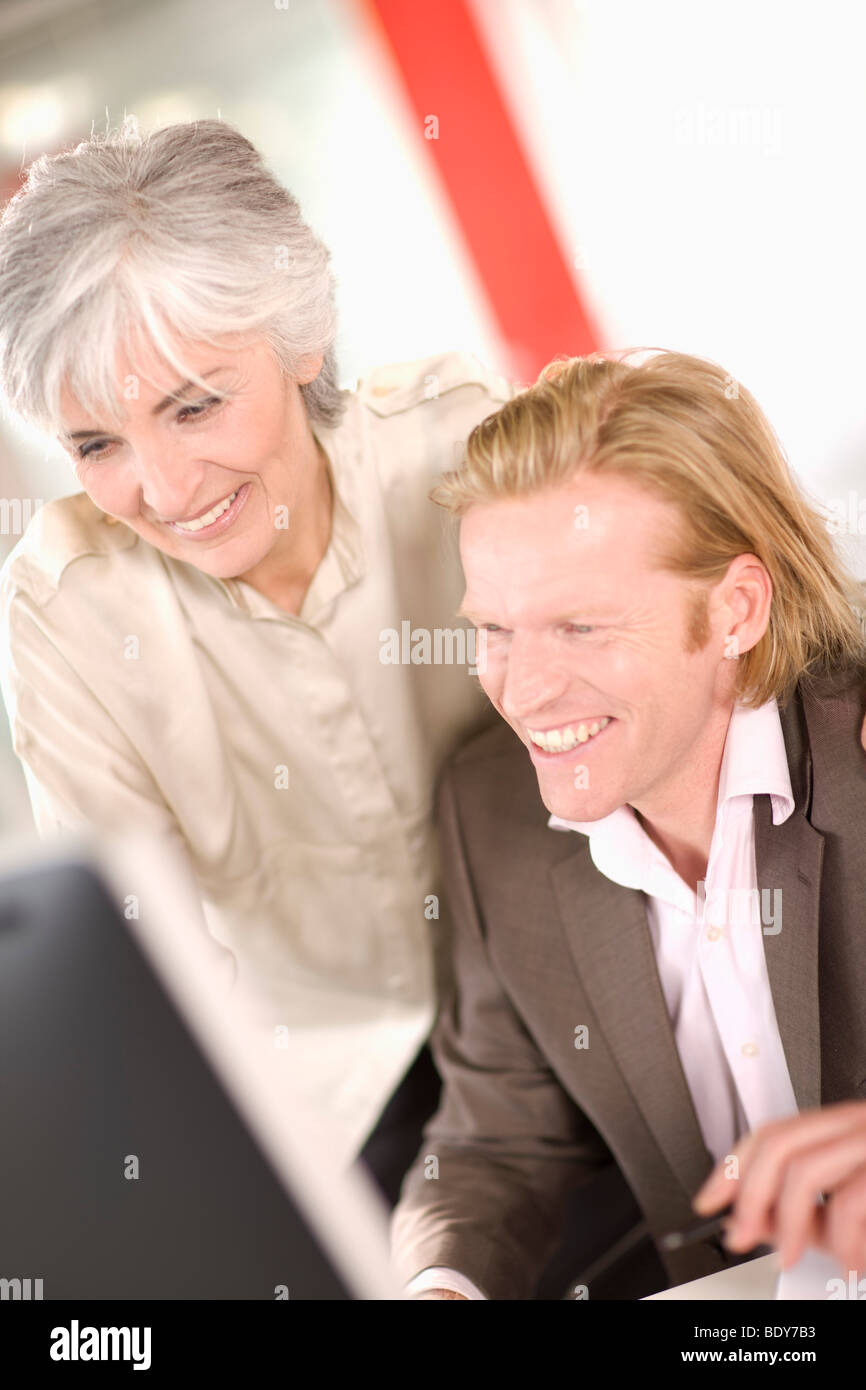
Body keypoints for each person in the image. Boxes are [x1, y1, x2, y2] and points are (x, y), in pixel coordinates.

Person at [0, 115, 511, 1191]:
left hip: (560, 1003)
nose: (166, 489)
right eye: (97, 444)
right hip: (327, 1093)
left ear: (300, 339)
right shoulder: (66, 606)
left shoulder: (457, 444)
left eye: (195, 406)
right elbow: (147, 963)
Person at [391, 348, 866, 1298]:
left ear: (735, 608)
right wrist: (442, 1285)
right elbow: (496, 1139)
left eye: (581, 628)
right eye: (495, 630)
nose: (521, 693)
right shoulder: (492, 812)